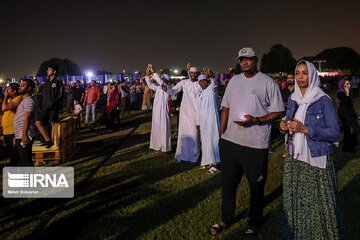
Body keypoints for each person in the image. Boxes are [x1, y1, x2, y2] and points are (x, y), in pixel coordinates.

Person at [210, 47, 285, 237]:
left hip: (255, 144)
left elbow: (279, 110)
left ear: (256, 60)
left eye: (248, 59)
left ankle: (254, 223)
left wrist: (256, 120)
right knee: (228, 184)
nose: (244, 62)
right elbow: (225, 107)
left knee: (256, 186)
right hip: (231, 142)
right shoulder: (234, 81)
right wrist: (222, 135)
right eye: (242, 59)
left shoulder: (267, 82)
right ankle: (226, 219)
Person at [280, 60, 343, 239]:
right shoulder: (293, 99)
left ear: (313, 75)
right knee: (298, 199)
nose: (300, 77)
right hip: (295, 157)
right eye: (298, 73)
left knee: (318, 200)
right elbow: (289, 120)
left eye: (304, 73)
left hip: (316, 157)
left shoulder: (322, 99)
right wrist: (283, 126)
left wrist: (306, 129)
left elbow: (334, 132)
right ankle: (300, 232)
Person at [162, 67, 202, 163]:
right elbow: (173, 91)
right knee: (183, 133)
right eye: (191, 73)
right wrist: (166, 89)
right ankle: (181, 155)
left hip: (195, 112)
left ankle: (193, 157)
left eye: (195, 73)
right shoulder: (184, 82)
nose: (193, 74)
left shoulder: (199, 84)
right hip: (184, 112)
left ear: (197, 74)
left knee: (194, 134)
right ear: (189, 73)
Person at [196, 72, 220, 173]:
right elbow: (198, 109)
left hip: (211, 120)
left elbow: (214, 84)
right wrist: (198, 122)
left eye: (204, 80)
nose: (202, 83)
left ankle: (215, 164)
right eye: (200, 81)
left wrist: (212, 77)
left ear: (207, 81)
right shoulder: (199, 93)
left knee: (213, 141)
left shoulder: (211, 89)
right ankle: (208, 161)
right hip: (203, 121)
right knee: (205, 141)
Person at [35, 64, 63, 148]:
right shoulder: (46, 82)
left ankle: (52, 141)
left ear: (54, 71)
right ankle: (47, 140)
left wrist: (54, 103)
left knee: (53, 123)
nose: (47, 71)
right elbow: (44, 94)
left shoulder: (58, 81)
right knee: (38, 122)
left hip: (53, 107)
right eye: (47, 69)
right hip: (44, 106)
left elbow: (61, 94)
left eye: (49, 69)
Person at [145, 66, 172, 154]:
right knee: (156, 129)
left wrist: (154, 72)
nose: (162, 80)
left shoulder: (167, 87)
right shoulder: (158, 88)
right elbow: (149, 85)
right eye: (162, 78)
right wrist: (148, 76)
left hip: (163, 111)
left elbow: (161, 83)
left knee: (164, 129)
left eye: (163, 79)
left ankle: (165, 149)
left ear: (167, 81)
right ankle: (157, 147)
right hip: (156, 112)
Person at [13, 79, 36, 166]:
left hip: (27, 135)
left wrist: (24, 135)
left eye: (23, 85)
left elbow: (28, 117)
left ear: (29, 88)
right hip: (21, 135)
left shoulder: (29, 100)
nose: (20, 87)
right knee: (22, 161)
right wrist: (17, 135)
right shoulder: (24, 101)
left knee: (26, 161)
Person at [1, 83, 23, 166]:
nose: (6, 92)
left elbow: (4, 108)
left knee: (17, 155)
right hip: (7, 132)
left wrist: (5, 96)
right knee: (11, 156)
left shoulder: (18, 98)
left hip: (13, 132)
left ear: (14, 91)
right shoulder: (10, 100)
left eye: (8, 90)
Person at [336, 78, 360, 153]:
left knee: (357, 129)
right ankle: (347, 148)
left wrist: (355, 114)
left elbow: (350, 105)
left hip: (350, 114)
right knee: (347, 132)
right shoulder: (340, 93)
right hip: (344, 115)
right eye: (347, 84)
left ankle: (352, 142)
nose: (349, 85)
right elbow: (346, 102)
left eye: (349, 83)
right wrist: (347, 93)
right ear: (342, 85)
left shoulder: (347, 92)